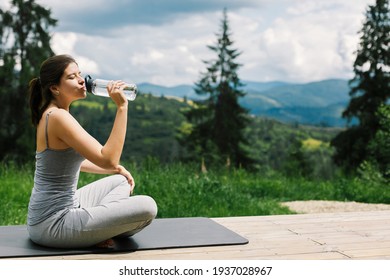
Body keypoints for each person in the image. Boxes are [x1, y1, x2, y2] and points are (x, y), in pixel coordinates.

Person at [27, 54, 157, 248]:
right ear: (54, 88)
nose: (81, 80)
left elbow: (71, 162)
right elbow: (108, 159)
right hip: (53, 224)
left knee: (121, 180)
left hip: (66, 209)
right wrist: (122, 107)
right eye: (72, 77)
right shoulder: (57, 117)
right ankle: (93, 231)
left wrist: (115, 170)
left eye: (80, 74)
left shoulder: (54, 113)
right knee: (148, 206)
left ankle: (94, 229)